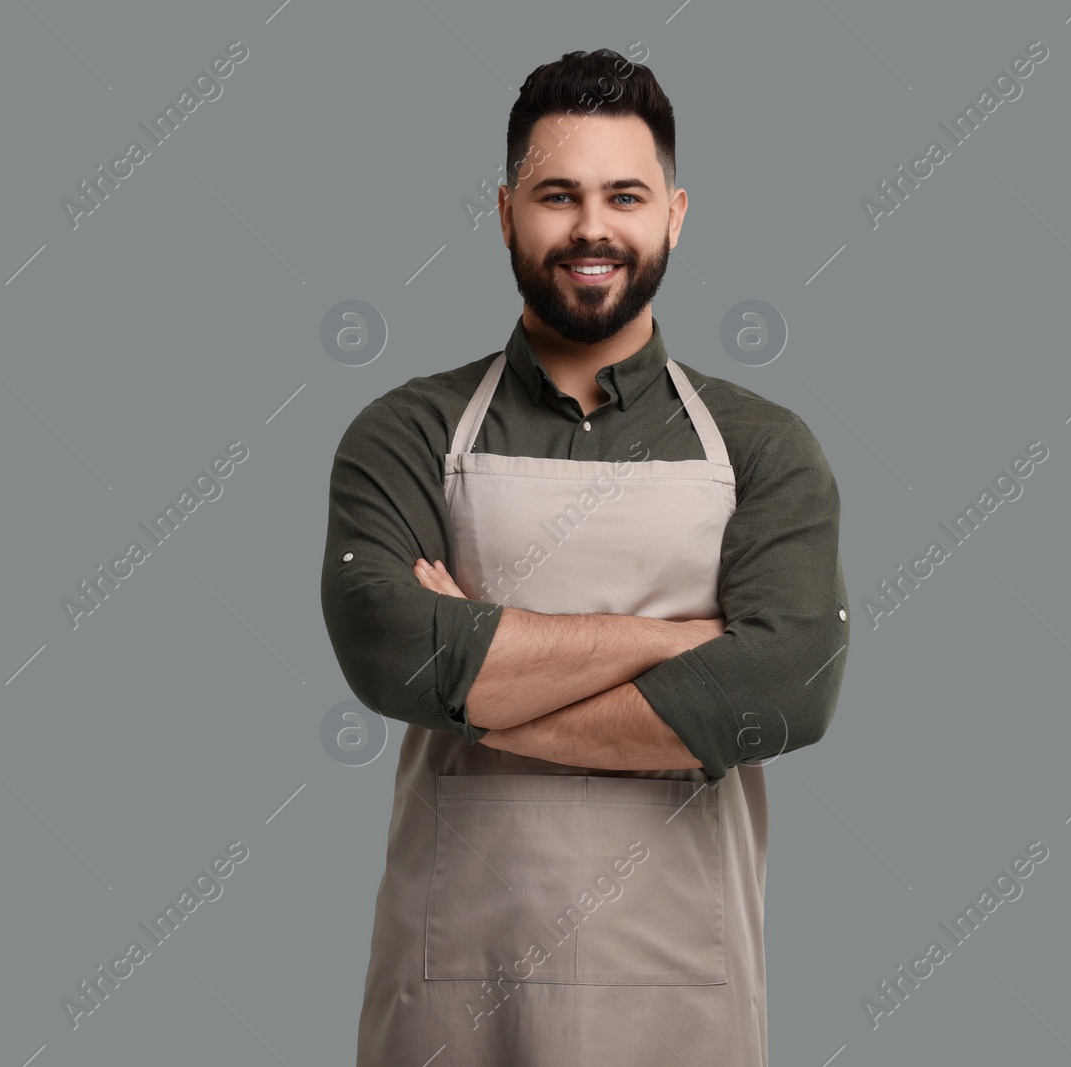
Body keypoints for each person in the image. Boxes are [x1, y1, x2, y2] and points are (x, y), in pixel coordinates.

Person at [319, 46, 849, 1066]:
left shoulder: (763, 445)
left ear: (675, 213)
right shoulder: (406, 430)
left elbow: (784, 691)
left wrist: (479, 674)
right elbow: (397, 657)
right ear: (508, 209)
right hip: (451, 994)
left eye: (624, 195)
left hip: (684, 998)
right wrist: (679, 642)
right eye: (558, 195)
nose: (591, 227)